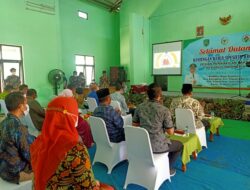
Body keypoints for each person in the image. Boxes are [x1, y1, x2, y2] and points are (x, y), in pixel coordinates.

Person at [30, 96, 113, 190]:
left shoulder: (38, 142)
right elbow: (88, 187)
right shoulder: (76, 150)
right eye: (76, 114)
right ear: (70, 117)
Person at [133, 83, 183, 176]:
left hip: (142, 145)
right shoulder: (164, 110)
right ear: (160, 95)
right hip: (157, 146)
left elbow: (134, 125)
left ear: (147, 94)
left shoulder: (139, 107)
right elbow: (170, 132)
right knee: (179, 145)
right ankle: (167, 168)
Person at [0, 92, 35, 184]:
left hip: (3, 168)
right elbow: (28, 154)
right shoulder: (18, 127)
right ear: (20, 106)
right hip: (14, 173)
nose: (26, 106)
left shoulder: (4, 122)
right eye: (25, 104)